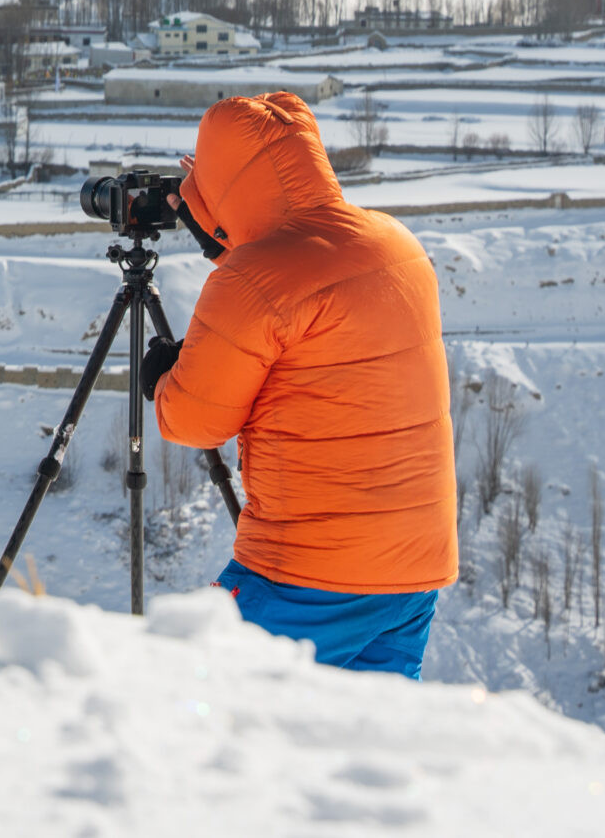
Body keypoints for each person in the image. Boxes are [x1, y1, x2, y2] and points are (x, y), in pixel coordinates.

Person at [141, 91, 456, 678]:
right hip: (413, 575)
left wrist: (163, 378)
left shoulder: (254, 281)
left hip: (306, 575)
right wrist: (233, 247)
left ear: (223, 187)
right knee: (358, 730)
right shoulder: (397, 243)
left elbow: (193, 422)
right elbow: (309, 293)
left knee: (189, 692)